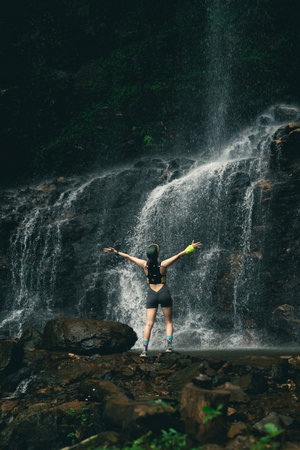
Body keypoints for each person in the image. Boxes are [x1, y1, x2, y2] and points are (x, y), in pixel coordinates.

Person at [103, 240, 202, 357]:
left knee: (149, 324)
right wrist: (191, 247)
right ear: (158, 255)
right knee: (168, 322)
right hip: (164, 292)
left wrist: (116, 252)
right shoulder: (163, 264)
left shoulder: (144, 264)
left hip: (152, 294)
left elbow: (129, 257)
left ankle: (144, 351)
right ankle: (169, 347)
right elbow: (179, 255)